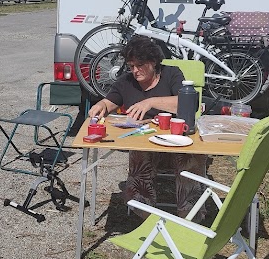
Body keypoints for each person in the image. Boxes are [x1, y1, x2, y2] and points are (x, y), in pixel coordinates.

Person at [87, 36, 207, 219]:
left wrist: (150, 102)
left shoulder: (172, 74)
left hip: (176, 141)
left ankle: (190, 215)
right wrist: (101, 106)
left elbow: (188, 103)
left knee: (189, 156)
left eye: (140, 65)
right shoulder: (126, 82)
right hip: (145, 143)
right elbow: (109, 102)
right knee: (140, 155)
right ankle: (145, 214)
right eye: (131, 66)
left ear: (153, 62)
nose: (135, 71)